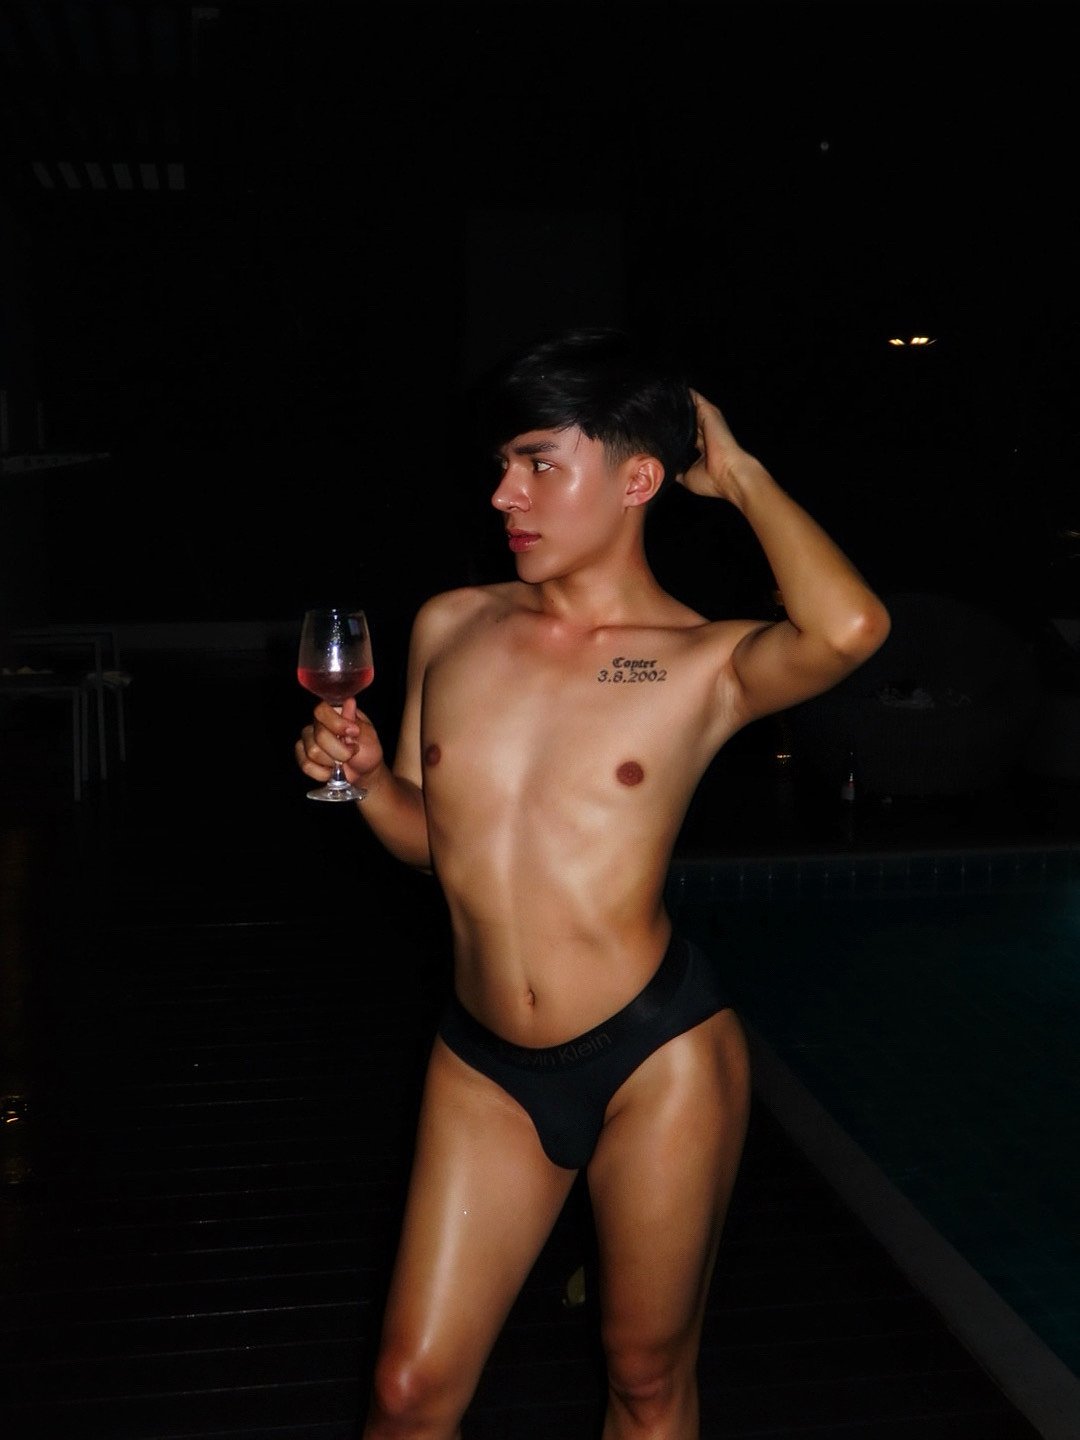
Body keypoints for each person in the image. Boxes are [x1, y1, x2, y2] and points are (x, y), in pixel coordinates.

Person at [295, 326, 890, 1439]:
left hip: (655, 1060)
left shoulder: (702, 662)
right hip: (481, 1065)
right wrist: (370, 780)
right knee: (408, 1394)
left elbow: (852, 628)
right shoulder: (453, 625)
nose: (504, 495)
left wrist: (740, 474)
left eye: (538, 463)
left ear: (639, 480)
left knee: (646, 1381)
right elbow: (430, 846)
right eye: (502, 466)